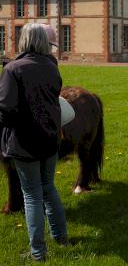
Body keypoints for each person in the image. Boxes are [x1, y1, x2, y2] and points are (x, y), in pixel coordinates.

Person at [0, 23, 68, 261]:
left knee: (32, 194)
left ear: (24, 40)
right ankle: (61, 238)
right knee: (48, 188)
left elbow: (6, 109)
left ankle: (38, 252)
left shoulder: (13, 69)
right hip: (49, 139)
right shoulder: (52, 66)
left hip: (24, 142)